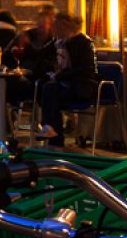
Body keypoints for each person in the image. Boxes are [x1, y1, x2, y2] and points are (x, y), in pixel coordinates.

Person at [35, 13, 98, 147]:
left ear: (65, 26)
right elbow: (40, 55)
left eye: (56, 25)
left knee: (50, 90)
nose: (53, 29)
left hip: (82, 86)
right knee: (42, 86)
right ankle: (52, 131)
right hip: (65, 84)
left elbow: (86, 69)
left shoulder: (84, 43)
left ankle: (53, 133)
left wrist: (60, 76)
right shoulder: (59, 41)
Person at [6, 6, 58, 79]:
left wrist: (28, 46)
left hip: (42, 78)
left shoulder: (56, 40)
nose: (42, 24)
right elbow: (6, 54)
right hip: (19, 76)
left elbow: (45, 63)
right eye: (40, 18)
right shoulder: (27, 34)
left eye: (46, 22)